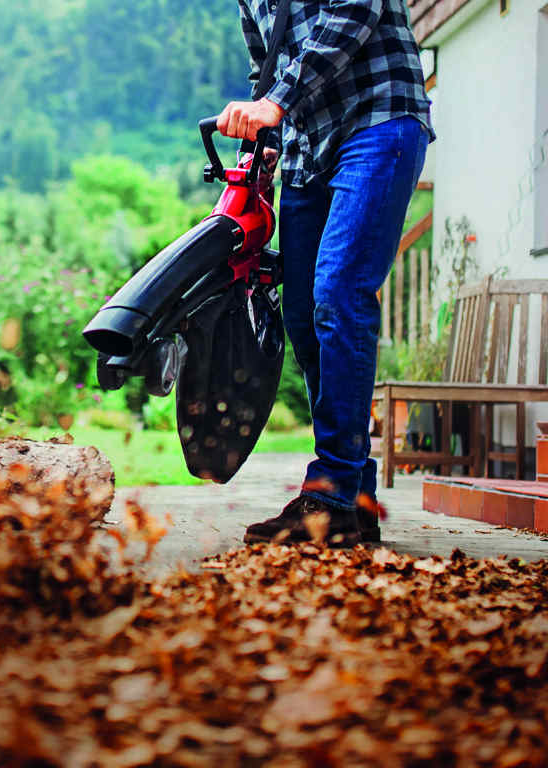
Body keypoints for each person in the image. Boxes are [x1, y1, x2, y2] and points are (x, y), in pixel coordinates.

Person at [218, 0, 433, 546]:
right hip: (305, 149)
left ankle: (331, 492)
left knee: (339, 295)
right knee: (301, 316)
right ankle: (356, 500)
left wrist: (274, 103)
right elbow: (266, 68)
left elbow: (359, 9)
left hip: (378, 119)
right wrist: (263, 140)